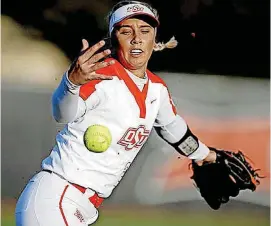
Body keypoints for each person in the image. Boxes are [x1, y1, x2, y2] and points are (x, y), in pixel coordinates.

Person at [15, 1, 217, 225]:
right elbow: (62, 114)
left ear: (155, 39)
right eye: (126, 30)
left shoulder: (156, 89)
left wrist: (205, 155)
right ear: (113, 39)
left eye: (145, 30)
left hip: (83, 207)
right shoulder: (101, 75)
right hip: (56, 198)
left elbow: (173, 128)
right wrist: (70, 84)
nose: (137, 38)